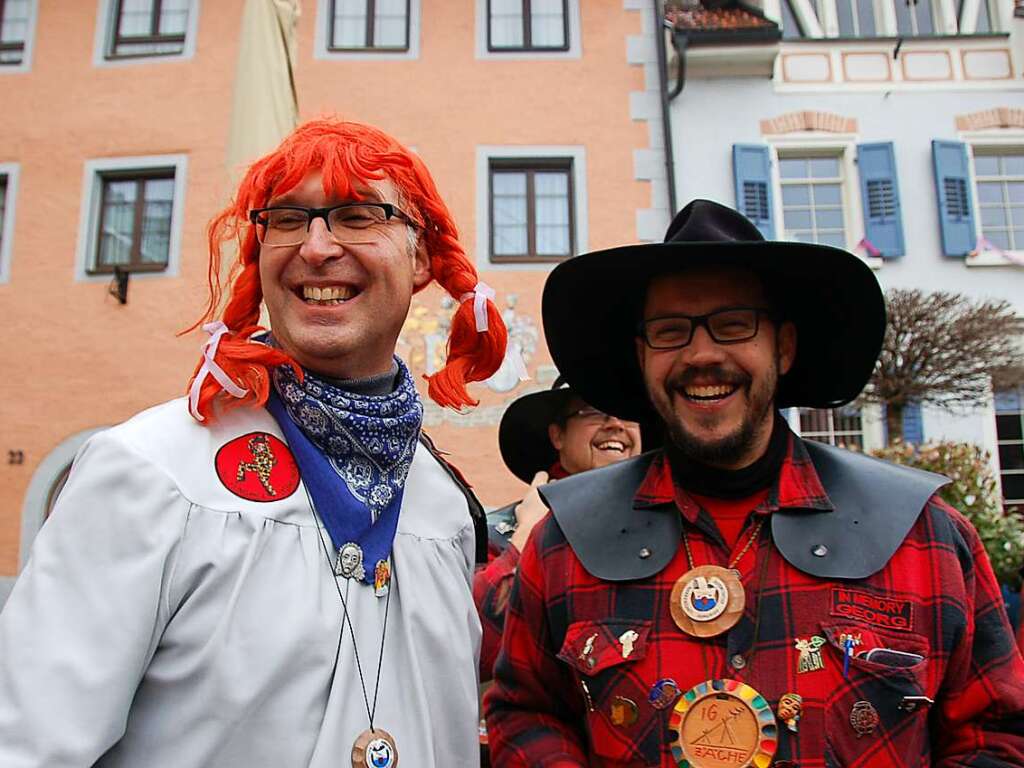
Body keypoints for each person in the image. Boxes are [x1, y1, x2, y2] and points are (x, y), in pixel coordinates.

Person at [0, 119, 507, 768]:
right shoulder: (154, 472)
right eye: (289, 219)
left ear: (422, 258)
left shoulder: (442, 506)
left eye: (356, 215)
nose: (317, 247)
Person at [484, 199, 1024, 767]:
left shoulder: (925, 536)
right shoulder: (566, 540)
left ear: (783, 347)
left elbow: (996, 733)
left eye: (733, 324)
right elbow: (526, 713)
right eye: (670, 332)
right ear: (642, 357)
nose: (701, 354)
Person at [476, 376, 644, 680]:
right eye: (594, 411)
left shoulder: (670, 524)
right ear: (558, 435)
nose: (616, 422)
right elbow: (476, 650)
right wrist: (526, 536)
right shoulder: (501, 535)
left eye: (626, 410)